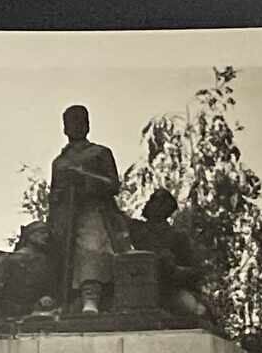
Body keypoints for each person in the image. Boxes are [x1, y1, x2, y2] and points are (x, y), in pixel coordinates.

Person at [47, 105, 129, 314]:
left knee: (92, 248)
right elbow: (54, 193)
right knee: (58, 253)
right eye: (71, 123)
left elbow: (113, 185)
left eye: (80, 121)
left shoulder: (99, 153)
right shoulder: (59, 162)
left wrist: (84, 178)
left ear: (88, 125)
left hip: (94, 210)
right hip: (66, 214)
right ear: (64, 128)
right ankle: (61, 300)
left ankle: (91, 298)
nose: (76, 127)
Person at [128, 188, 211, 318]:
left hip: (171, 290)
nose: (147, 204)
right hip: (140, 289)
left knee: (194, 309)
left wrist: (174, 269)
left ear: (164, 207)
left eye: (153, 200)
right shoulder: (136, 228)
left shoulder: (177, 237)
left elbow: (196, 272)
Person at [0, 222, 58, 323]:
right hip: (8, 311)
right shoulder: (9, 260)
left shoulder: (45, 262)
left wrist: (46, 299)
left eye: (47, 233)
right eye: (42, 232)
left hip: (32, 312)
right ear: (30, 236)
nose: (46, 236)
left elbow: (48, 289)